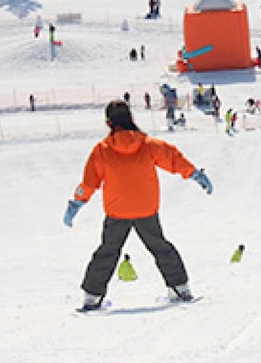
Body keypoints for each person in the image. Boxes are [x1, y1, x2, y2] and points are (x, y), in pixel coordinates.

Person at [64, 99, 213, 311]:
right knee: (160, 247)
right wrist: (195, 175)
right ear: (131, 119)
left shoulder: (102, 150)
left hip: (117, 211)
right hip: (146, 209)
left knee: (107, 251)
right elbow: (173, 158)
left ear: (108, 123)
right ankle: (180, 289)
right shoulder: (148, 144)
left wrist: (75, 204)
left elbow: (89, 183)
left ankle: (92, 298)